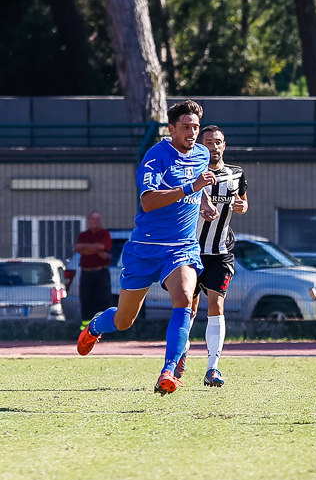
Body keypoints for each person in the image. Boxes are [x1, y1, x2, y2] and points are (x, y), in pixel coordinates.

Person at [76, 100, 219, 395]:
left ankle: (169, 371)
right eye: (186, 127)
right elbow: (148, 201)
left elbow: (199, 186)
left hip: (181, 248)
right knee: (124, 320)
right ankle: (95, 326)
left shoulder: (202, 154)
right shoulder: (156, 156)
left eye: (195, 127)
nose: (192, 132)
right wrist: (191, 188)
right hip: (145, 248)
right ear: (171, 129)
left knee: (184, 298)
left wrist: (203, 203)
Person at [179, 125, 248, 388]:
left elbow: (243, 202)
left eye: (217, 142)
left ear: (224, 145)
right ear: (200, 145)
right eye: (208, 142)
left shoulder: (236, 174)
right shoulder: (191, 173)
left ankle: (212, 368)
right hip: (191, 251)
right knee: (188, 308)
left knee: (216, 305)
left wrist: (242, 207)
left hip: (220, 253)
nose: (213, 147)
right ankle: (179, 357)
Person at [74, 211, 112, 326]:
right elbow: (78, 247)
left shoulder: (104, 234)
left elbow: (103, 246)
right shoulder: (83, 235)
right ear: (89, 221)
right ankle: (85, 330)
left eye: (97, 219)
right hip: (86, 274)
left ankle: (103, 329)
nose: (95, 221)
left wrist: (87, 249)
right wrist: (97, 250)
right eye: (93, 219)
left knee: (103, 301)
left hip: (101, 272)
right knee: (86, 301)